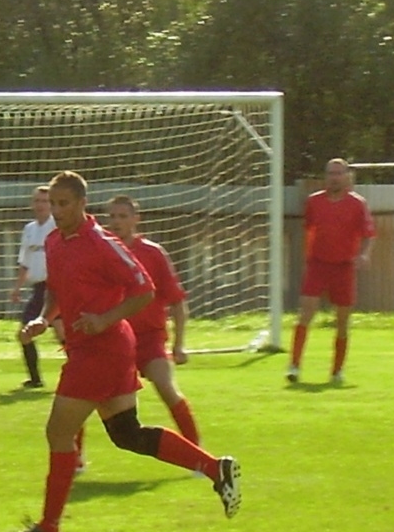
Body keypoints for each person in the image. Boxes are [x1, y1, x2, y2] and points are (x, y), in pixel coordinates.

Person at [20, 171, 240, 532]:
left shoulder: (101, 243)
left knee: (58, 434)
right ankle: (217, 469)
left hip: (103, 351)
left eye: (63, 204)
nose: (56, 211)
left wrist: (105, 318)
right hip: (90, 349)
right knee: (127, 434)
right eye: (53, 204)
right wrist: (45, 319)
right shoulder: (55, 242)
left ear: (81, 203)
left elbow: (145, 291)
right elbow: (55, 293)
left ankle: (48, 525)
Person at [107, 195, 199, 445]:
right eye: (112, 216)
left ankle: (199, 454)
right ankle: (76, 461)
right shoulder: (101, 251)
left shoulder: (152, 253)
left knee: (167, 388)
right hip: (113, 340)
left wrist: (179, 344)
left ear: (137, 219)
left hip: (149, 340)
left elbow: (177, 301)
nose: (116, 222)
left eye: (123, 216)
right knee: (85, 398)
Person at [287, 158, 376, 384]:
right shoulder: (314, 202)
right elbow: (309, 231)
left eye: (338, 173)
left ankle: (337, 371)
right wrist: (308, 258)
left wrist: (364, 254)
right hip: (318, 265)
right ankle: (294, 366)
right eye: (330, 173)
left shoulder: (358, 204)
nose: (333, 177)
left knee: (343, 321)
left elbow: (368, 234)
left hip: (344, 267)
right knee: (305, 313)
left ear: (346, 176)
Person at [10, 185, 65, 388]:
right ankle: (35, 379)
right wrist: (17, 287)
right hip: (39, 289)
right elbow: (24, 261)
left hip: (57, 288)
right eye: (38, 201)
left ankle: (82, 373)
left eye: (45, 201)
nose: (41, 205)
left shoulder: (57, 227)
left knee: (63, 335)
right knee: (24, 332)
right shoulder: (30, 229)